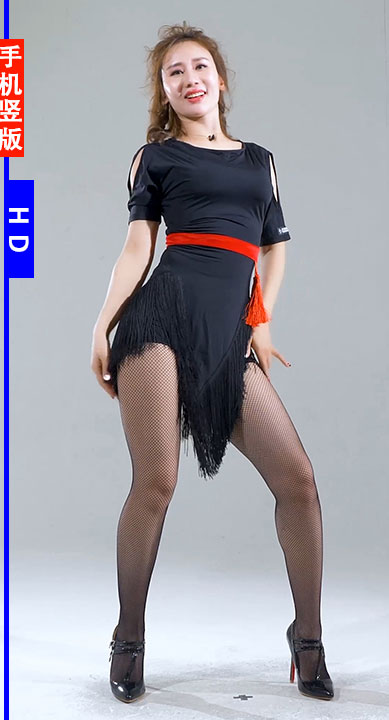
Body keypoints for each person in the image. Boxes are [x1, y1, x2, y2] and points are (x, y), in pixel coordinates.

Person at [90, 21, 334, 705]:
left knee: (298, 481)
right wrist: (102, 325)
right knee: (157, 481)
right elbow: (138, 247)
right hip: (160, 323)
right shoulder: (155, 157)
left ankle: (307, 638)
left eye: (199, 66)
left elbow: (274, 244)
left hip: (227, 335)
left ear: (219, 80)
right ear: (165, 92)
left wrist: (260, 321)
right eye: (174, 72)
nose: (189, 78)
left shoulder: (259, 161)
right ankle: (128, 638)